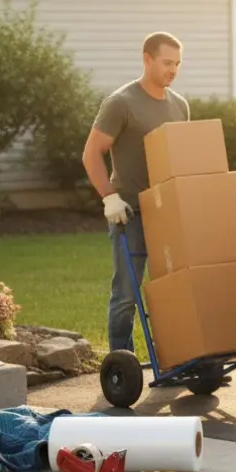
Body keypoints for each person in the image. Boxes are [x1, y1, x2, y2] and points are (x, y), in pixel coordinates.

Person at [82, 32, 190, 355]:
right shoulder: (121, 103)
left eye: (178, 64)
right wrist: (109, 197)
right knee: (127, 294)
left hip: (167, 213)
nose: (173, 70)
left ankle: (177, 357)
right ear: (147, 59)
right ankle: (120, 364)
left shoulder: (180, 105)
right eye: (167, 62)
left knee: (172, 291)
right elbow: (91, 154)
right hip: (129, 214)